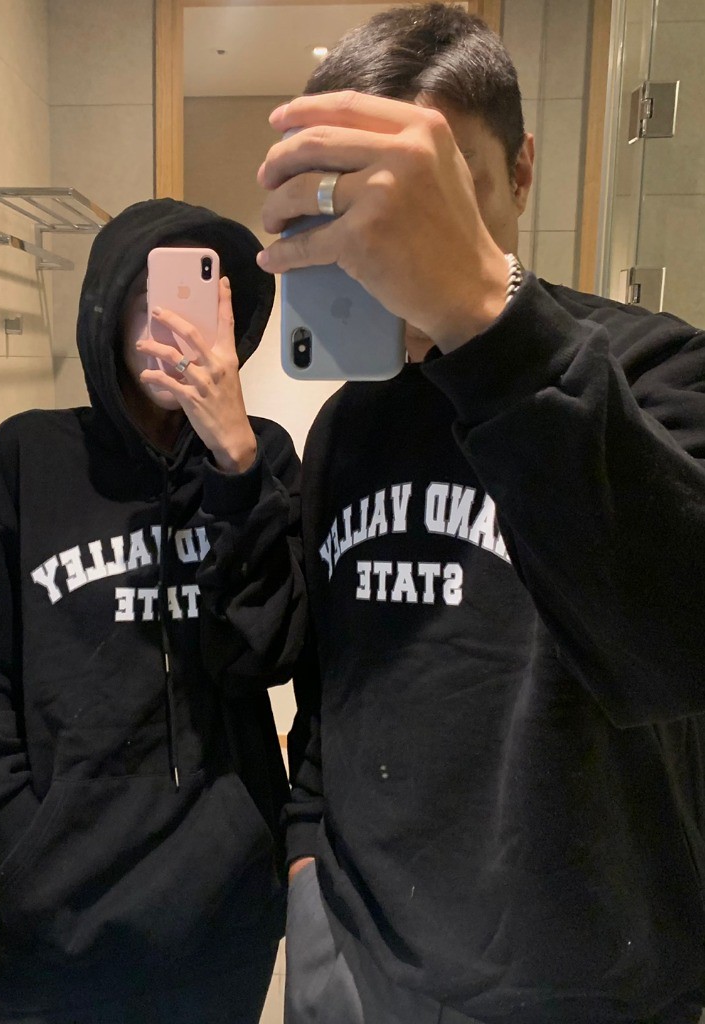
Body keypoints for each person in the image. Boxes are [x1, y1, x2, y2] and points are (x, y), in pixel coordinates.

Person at [255, 6, 705, 1024]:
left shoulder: (659, 370)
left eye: (438, 192)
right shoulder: (349, 424)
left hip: (597, 991)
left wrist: (483, 321)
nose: (394, 240)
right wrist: (306, 860)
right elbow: (332, 684)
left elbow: (679, 645)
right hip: (360, 963)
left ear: (523, 169)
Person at [0, 198, 306, 1023]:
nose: (173, 326)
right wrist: (21, 840)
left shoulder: (262, 457)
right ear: (105, 313)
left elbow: (270, 652)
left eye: (199, 303)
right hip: (54, 924)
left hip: (222, 921)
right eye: (149, 298)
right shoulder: (28, 457)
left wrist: (235, 469)